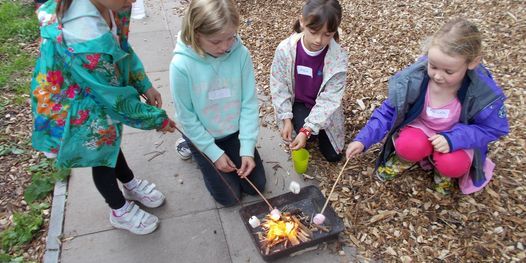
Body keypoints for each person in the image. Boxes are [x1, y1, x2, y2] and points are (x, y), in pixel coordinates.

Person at [31, 0, 176, 235]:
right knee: (99, 153)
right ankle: (119, 210)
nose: (134, 1)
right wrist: (157, 119)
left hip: (96, 89)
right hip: (76, 102)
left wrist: (142, 82)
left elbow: (121, 49)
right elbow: (113, 100)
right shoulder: (83, 35)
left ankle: (128, 182)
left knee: (111, 139)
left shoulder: (111, 5)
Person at [346, 18, 509, 195]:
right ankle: (404, 160)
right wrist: (363, 140)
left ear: (471, 63)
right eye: (433, 66)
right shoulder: (414, 80)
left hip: (457, 139)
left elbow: (492, 129)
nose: (438, 76)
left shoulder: (483, 93)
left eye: (448, 71)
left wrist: (454, 139)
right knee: (408, 145)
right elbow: (388, 112)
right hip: (421, 128)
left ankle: (443, 173)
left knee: (453, 164)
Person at [169, 0, 266, 206]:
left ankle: (228, 151)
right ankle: (192, 148)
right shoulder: (181, 66)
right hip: (202, 134)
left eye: (231, 38)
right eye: (216, 42)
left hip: (233, 132)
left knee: (256, 185)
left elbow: (249, 103)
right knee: (229, 198)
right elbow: (186, 117)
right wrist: (213, 153)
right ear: (196, 34)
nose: (225, 47)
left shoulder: (241, 54)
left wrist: (247, 148)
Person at [270, 0, 348, 162]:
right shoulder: (285, 50)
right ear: (302, 22)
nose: (319, 40)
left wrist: (307, 130)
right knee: (302, 135)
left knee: (334, 155)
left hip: (323, 107)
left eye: (327, 34)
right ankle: (303, 126)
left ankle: (309, 129)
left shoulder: (338, 58)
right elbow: (279, 86)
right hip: (299, 102)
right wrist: (285, 118)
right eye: (313, 31)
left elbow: (329, 99)